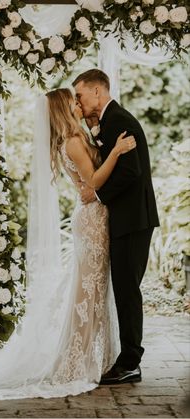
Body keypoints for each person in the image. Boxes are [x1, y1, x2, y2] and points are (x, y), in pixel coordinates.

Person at [0, 89, 136, 399]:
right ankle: (75, 363)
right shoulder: (74, 142)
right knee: (88, 292)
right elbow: (92, 184)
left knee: (92, 290)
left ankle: (92, 357)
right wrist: (116, 152)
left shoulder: (70, 140)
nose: (78, 105)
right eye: (73, 102)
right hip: (92, 220)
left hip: (91, 217)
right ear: (64, 109)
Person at [73, 69, 160, 385]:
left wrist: (95, 193)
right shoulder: (108, 122)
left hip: (133, 220)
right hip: (127, 219)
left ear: (97, 91)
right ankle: (128, 359)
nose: (78, 103)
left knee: (127, 291)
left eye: (81, 95)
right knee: (124, 288)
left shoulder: (119, 121)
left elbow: (131, 172)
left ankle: (130, 363)